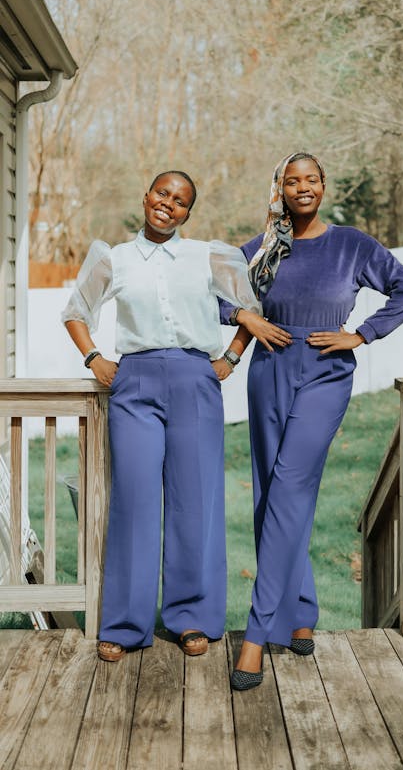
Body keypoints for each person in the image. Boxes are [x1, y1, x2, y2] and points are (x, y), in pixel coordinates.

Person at [218, 152, 403, 689]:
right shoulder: (266, 246)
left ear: (323, 186)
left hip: (325, 375)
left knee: (289, 487)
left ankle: (258, 632)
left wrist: (361, 334)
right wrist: (248, 317)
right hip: (267, 371)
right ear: (280, 189)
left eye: (311, 180)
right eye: (293, 181)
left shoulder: (352, 244)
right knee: (273, 492)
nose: (303, 188)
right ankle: (303, 606)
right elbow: (219, 291)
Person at [62, 170, 260, 661]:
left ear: (188, 213)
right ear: (146, 196)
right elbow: (76, 311)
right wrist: (94, 358)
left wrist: (231, 357)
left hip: (196, 381)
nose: (168, 204)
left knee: (195, 503)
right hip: (135, 384)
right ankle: (126, 624)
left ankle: (192, 617)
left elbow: (252, 306)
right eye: (162, 194)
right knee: (134, 501)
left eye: (180, 201)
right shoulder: (115, 257)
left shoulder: (207, 255)